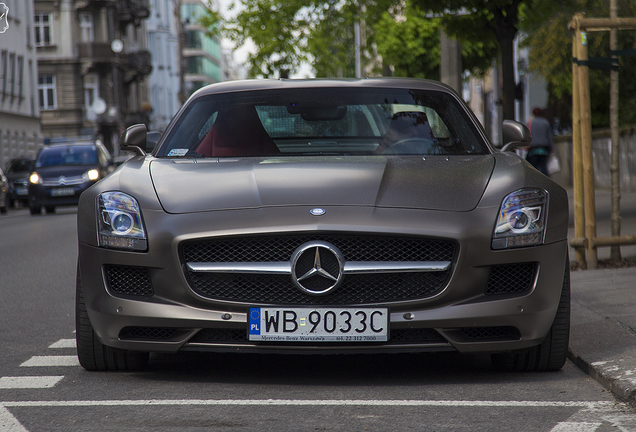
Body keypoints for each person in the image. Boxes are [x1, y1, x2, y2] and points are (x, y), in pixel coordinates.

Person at [526, 107, 553, 175]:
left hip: (533, 150)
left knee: (533, 169)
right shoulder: (545, 123)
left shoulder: (530, 123)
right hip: (544, 149)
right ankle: (546, 182)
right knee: (543, 166)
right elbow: (549, 137)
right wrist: (551, 149)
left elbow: (527, 135)